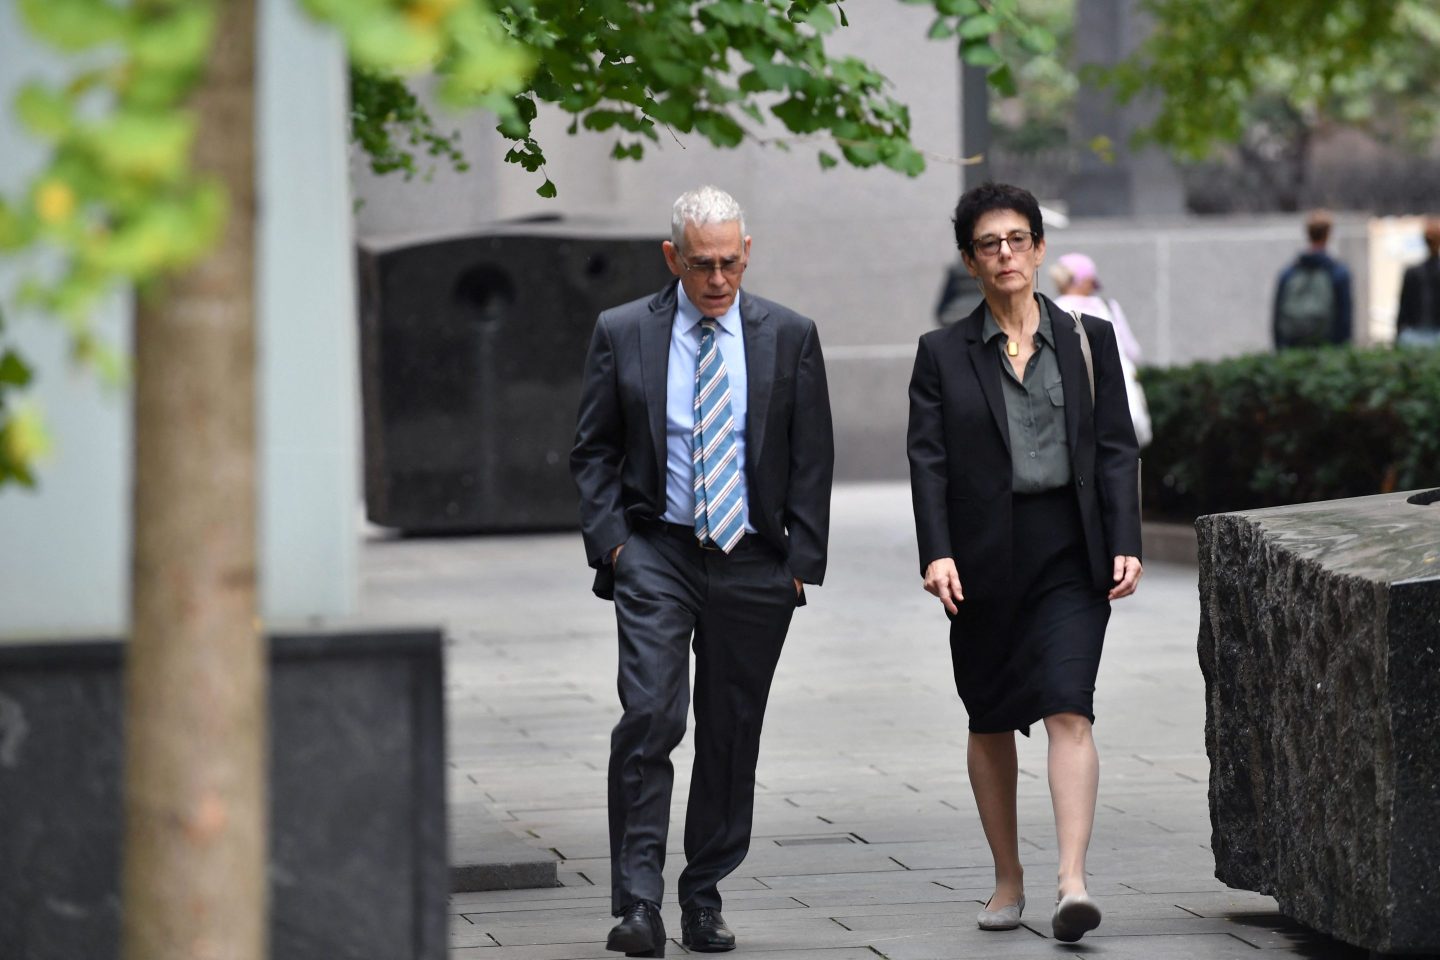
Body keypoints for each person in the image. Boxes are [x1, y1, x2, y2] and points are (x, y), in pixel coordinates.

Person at [571, 185, 834, 957]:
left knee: (730, 731)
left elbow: (812, 456)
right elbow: (593, 449)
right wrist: (615, 546)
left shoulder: (790, 334)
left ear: (746, 253)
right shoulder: (624, 331)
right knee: (651, 715)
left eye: (729, 263)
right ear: (672, 257)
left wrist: (799, 565)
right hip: (657, 551)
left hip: (755, 561)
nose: (717, 279)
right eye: (700, 264)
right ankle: (638, 902)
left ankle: (703, 894)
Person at [906, 182, 1142, 944]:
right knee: (991, 714)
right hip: (982, 556)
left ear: (1039, 249)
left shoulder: (1086, 339)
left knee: (1069, 704)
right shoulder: (941, 354)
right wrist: (937, 551)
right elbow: (928, 462)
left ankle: (1072, 882)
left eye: (1017, 240)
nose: (1005, 254)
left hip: (1070, 550)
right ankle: (1007, 876)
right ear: (970, 261)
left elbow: (1115, 448)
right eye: (989, 244)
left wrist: (1126, 537)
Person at [1051, 253, 1152, 447]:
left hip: (1073, 404)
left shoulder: (1053, 310)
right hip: (1117, 398)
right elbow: (1133, 352)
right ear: (1085, 281)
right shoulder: (1107, 307)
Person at [1272, 209, 1353, 350]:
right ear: (1328, 234)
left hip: (1293, 349)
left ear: (1308, 233)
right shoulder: (1338, 273)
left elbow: (1277, 316)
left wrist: (1280, 350)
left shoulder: (1289, 273)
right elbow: (1344, 320)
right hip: (1327, 349)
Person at [1395, 216, 1440, 348]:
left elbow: (1403, 310)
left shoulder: (1412, 272)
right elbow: (1404, 309)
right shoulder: (1413, 273)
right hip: (1415, 334)